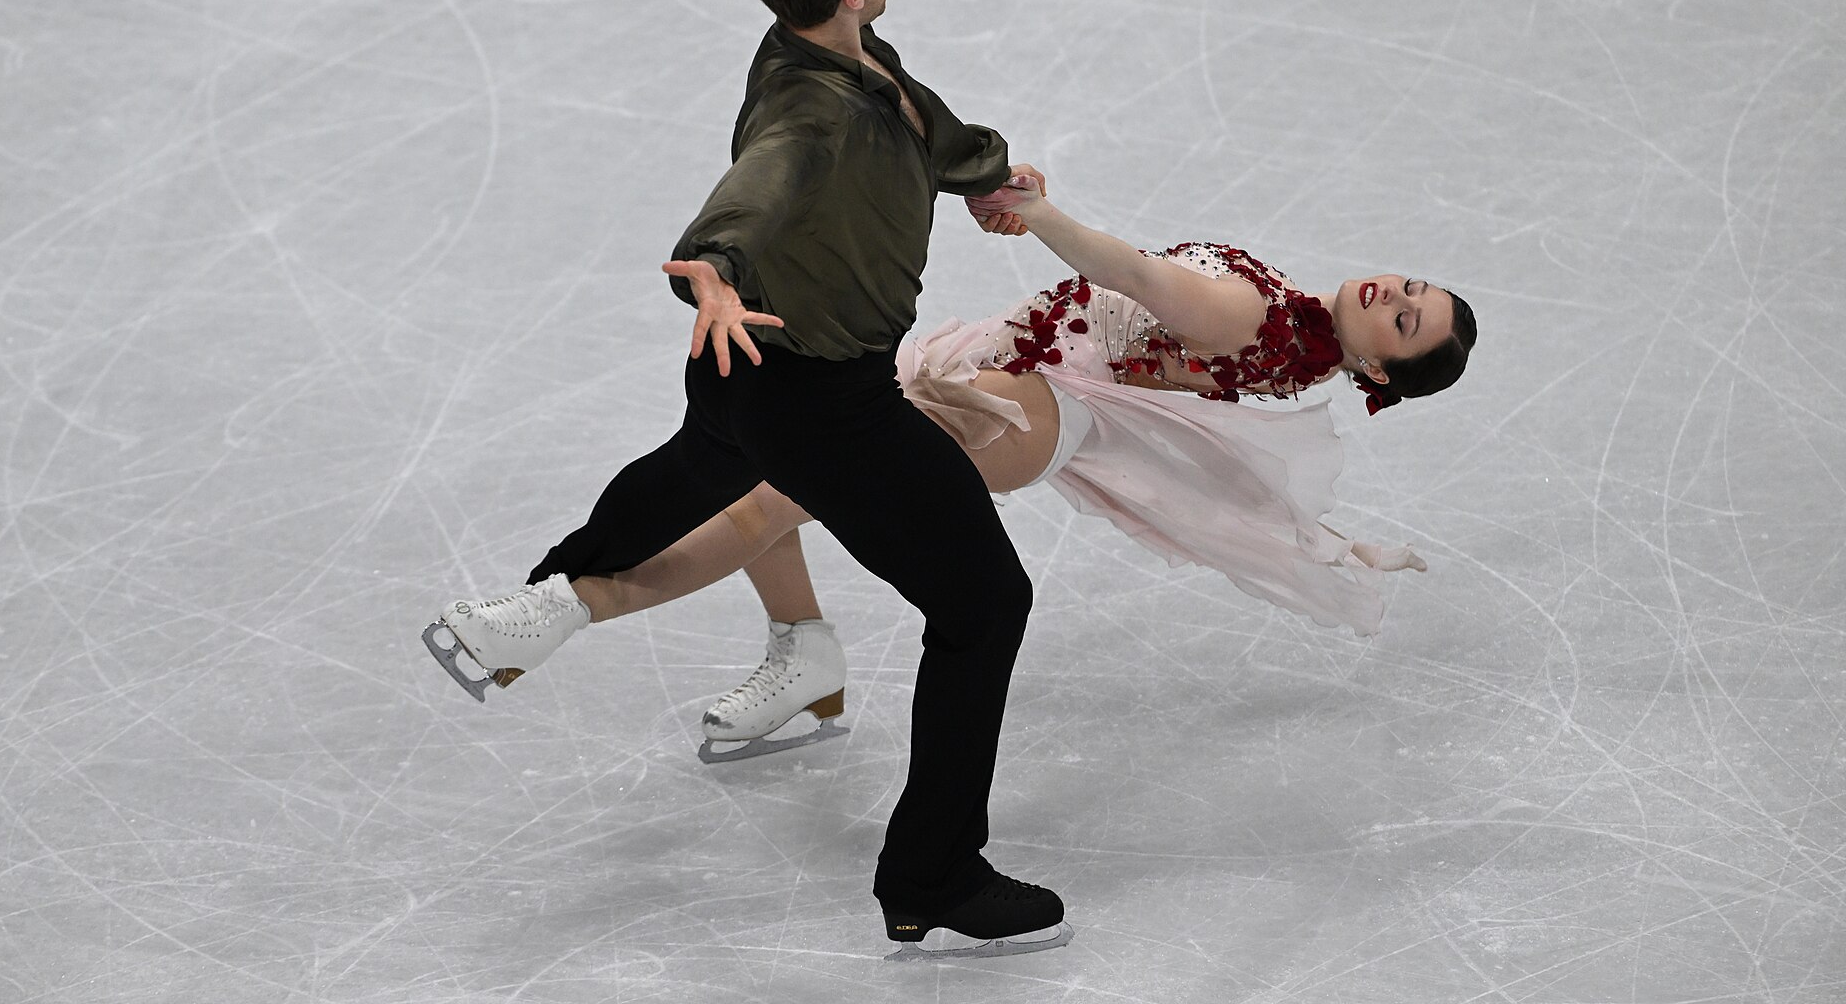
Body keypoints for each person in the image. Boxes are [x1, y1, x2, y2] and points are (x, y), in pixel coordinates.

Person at [422, 0, 1070, 960]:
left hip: (746, 372)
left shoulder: (834, 52)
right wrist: (713, 269)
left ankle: (547, 595)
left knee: (699, 459)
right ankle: (931, 872)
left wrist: (992, 177)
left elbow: (927, 124)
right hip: (829, 397)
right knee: (986, 600)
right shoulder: (807, 113)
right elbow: (753, 189)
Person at [478, 175, 1479, 764]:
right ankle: (805, 654)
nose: (1395, 289)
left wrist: (1037, 210)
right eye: (1414, 285)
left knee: (774, 488)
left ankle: (564, 608)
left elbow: (1131, 275)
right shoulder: (1294, 325)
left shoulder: (1257, 319)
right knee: (778, 472)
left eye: (1403, 317)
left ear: (1381, 366)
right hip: (1019, 362)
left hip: (1038, 403)